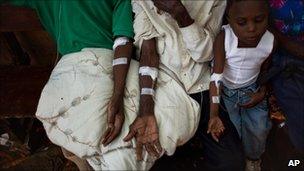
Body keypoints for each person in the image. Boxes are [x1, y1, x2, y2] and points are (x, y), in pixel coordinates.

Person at [2, 0, 201, 170]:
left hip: (110, 63)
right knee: (99, 144)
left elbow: (123, 40)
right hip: (72, 69)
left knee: (125, 145)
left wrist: (117, 96)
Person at [131, 0, 245, 170]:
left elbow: (205, 54)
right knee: (153, 152)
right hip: (166, 85)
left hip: (202, 86)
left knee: (231, 162)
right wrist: (146, 108)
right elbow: (148, 52)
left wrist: (181, 14)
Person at [208, 0, 275, 170]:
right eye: (242, 22)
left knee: (258, 129)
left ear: (268, 17)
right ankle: (238, 160)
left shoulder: (270, 41)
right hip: (226, 93)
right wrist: (214, 114)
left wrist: (263, 92)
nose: (252, 28)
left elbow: (264, 69)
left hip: (252, 91)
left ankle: (253, 159)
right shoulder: (224, 38)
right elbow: (216, 77)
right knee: (233, 130)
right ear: (229, 20)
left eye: (259, 20)